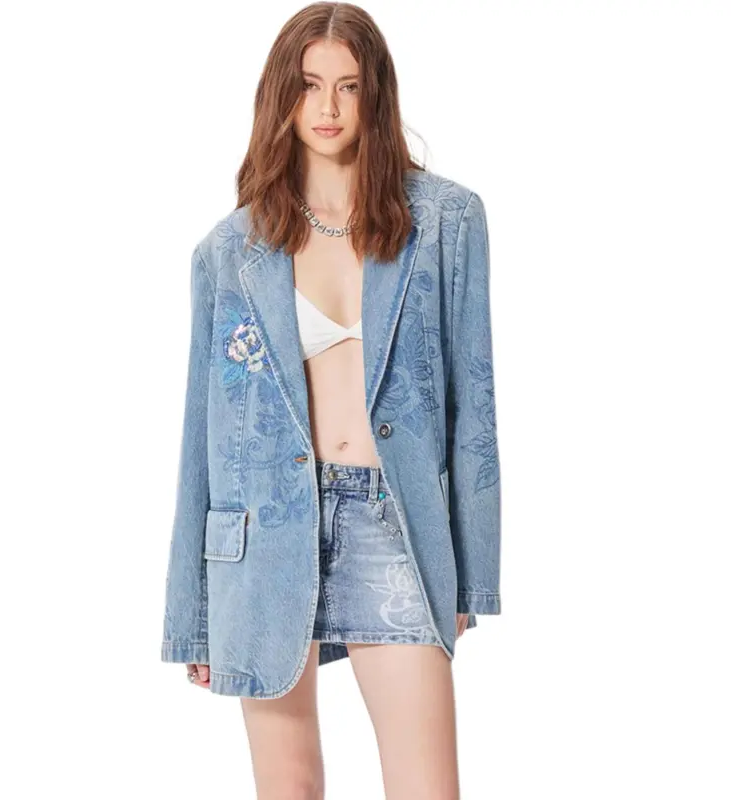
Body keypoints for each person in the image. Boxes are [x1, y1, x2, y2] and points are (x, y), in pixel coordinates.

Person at [160, 3, 501, 797]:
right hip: (265, 536)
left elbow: (474, 409)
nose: (328, 107)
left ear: (375, 94)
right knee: (290, 787)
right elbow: (201, 438)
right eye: (309, 85)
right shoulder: (229, 252)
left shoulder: (446, 221)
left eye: (348, 86)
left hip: (394, 522)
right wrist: (193, 614)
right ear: (280, 96)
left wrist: (472, 574)